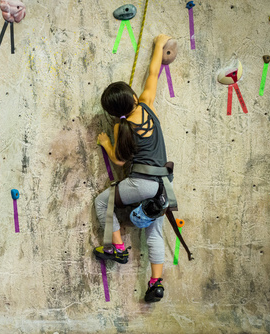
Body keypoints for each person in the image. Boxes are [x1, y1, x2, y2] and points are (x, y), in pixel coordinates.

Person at [93, 34, 174, 303]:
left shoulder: (120, 126)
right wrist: (159, 45)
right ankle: (156, 282)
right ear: (134, 96)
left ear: (114, 114)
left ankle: (117, 248)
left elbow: (119, 161)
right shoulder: (148, 105)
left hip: (140, 182)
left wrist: (105, 143)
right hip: (163, 185)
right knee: (155, 232)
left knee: (103, 202)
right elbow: (153, 72)